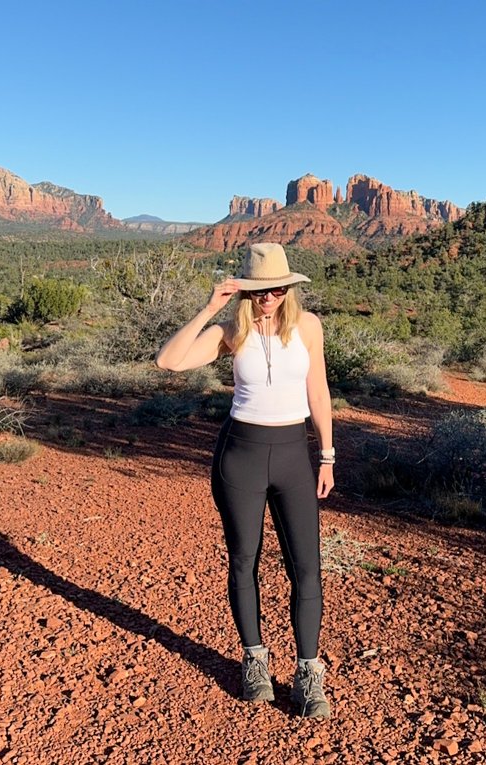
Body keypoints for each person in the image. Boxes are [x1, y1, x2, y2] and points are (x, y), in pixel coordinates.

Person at [155, 242, 335, 718]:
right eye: (259, 290)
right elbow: (168, 361)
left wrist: (328, 455)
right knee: (243, 560)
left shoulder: (309, 327)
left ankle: (308, 674)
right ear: (245, 290)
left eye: (277, 288)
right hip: (241, 457)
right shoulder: (229, 331)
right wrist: (210, 308)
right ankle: (254, 660)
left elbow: (318, 389)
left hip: (295, 455)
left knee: (308, 568)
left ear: (289, 287)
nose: (269, 297)